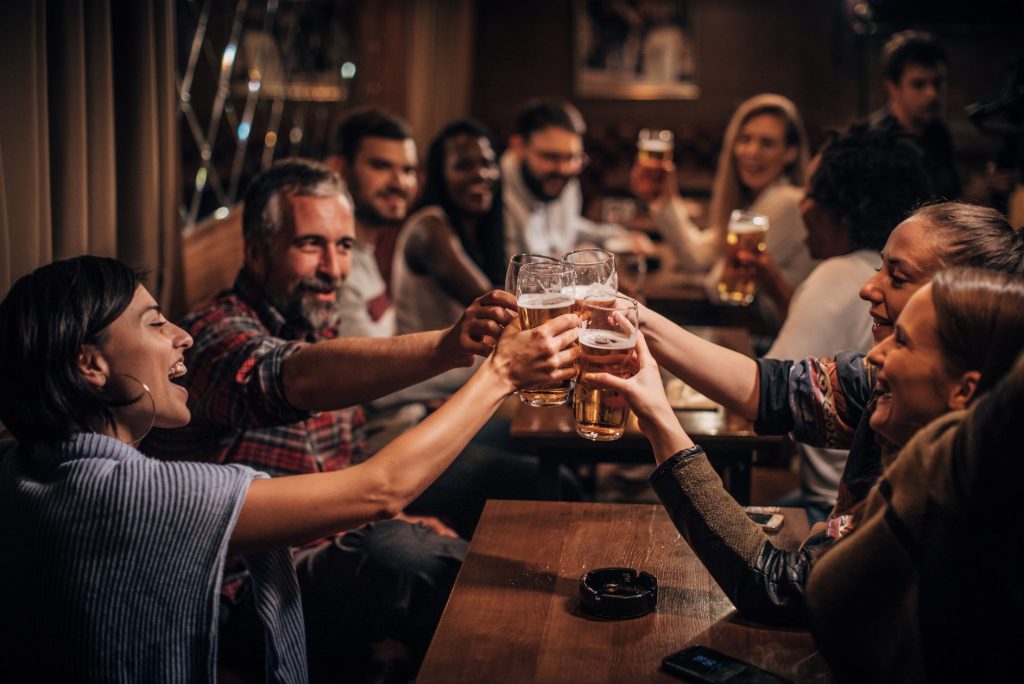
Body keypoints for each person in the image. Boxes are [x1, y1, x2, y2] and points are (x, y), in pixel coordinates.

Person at [0, 255, 579, 680]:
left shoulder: (32, 465)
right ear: (90, 364)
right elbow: (379, 489)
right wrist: (499, 375)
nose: (182, 336)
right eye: (154, 324)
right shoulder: (119, 492)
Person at [142, 158, 577, 680]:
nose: (333, 268)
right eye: (311, 245)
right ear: (256, 252)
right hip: (241, 594)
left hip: (324, 548)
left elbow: (346, 465)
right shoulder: (213, 335)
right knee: (411, 557)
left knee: (514, 506)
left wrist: (394, 521)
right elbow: (295, 378)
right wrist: (447, 347)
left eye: (344, 246)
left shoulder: (319, 326)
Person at [626, 201, 1024, 622]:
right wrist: (638, 319)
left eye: (897, 276)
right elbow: (772, 389)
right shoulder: (899, 388)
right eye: (880, 267)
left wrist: (658, 419)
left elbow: (781, 588)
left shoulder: (945, 486)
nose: (867, 287)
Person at [807, 345, 1024, 683]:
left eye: (903, 340)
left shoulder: (939, 468)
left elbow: (822, 593)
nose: (874, 354)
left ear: (964, 390)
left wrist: (822, 538)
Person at [758, 127, 932, 522]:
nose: (802, 205)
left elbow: (766, 390)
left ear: (843, 210)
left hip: (834, 510)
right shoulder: (901, 281)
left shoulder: (839, 275)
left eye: (813, 191)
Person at [632, 93, 817, 308]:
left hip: (770, 328)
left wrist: (695, 278)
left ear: (790, 153)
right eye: (745, 139)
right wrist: (665, 197)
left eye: (767, 143)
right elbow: (698, 256)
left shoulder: (788, 202)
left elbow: (720, 286)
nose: (752, 151)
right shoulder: (755, 202)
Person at [392, 118, 505, 336]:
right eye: (464, 166)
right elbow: (492, 303)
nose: (480, 174)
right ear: (439, 174)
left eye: (487, 164)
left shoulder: (479, 228)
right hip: (424, 358)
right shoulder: (428, 228)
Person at [501, 98, 648, 259]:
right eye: (551, 156)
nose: (563, 168)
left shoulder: (561, 177)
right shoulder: (496, 192)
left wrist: (617, 236)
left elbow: (569, 226)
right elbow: (512, 266)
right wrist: (577, 258)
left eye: (571, 157)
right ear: (518, 147)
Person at [325, 108, 418, 338]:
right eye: (381, 166)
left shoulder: (365, 251)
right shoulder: (329, 263)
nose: (399, 183)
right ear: (340, 169)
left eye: (408, 170)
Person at [868, 30, 960, 200]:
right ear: (893, 87)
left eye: (938, 83)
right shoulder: (874, 141)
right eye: (918, 84)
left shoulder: (938, 132)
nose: (932, 94)